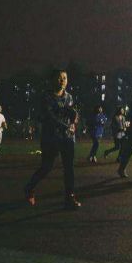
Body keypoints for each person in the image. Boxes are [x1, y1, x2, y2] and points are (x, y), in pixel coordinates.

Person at [24, 69, 81, 209]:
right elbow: (50, 117)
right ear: (52, 80)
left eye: (65, 78)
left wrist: (74, 119)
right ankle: (29, 187)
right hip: (51, 136)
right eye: (59, 78)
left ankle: (70, 198)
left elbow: (71, 113)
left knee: (69, 168)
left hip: (67, 137)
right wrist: (66, 126)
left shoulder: (69, 97)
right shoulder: (46, 97)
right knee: (46, 167)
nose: (63, 80)